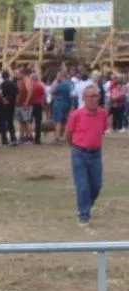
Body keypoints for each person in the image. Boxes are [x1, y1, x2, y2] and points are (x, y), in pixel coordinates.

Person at [66, 85, 108, 228]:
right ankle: (84, 215)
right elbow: (69, 134)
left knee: (96, 185)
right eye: (91, 96)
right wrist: (75, 146)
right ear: (84, 98)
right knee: (82, 186)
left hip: (95, 153)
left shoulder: (103, 113)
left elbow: (102, 130)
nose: (95, 99)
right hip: (79, 152)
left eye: (97, 96)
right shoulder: (76, 115)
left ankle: (86, 206)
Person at [51, 71, 73, 142]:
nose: (56, 78)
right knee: (65, 121)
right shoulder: (71, 83)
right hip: (67, 103)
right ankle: (64, 136)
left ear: (61, 76)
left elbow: (53, 92)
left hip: (59, 103)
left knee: (58, 121)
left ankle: (57, 137)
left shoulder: (60, 85)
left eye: (57, 76)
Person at [0, 70, 18, 145]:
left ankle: (4, 139)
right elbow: (17, 94)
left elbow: (0, 93)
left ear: (2, 77)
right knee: (10, 121)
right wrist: (15, 102)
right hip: (12, 104)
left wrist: (4, 100)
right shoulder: (14, 84)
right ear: (9, 76)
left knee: (3, 122)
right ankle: (13, 138)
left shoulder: (2, 84)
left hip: (4, 105)